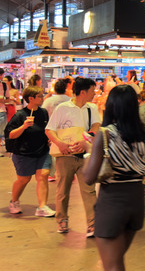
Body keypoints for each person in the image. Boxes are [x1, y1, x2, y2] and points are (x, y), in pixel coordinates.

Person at [84, 85, 145, 271]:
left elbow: (88, 177)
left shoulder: (106, 134)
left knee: (113, 266)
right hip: (136, 201)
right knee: (117, 262)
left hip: (112, 203)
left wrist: (89, 151)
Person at [45, 77, 101, 236]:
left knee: (89, 190)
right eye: (92, 91)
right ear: (83, 92)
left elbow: (96, 125)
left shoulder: (92, 108)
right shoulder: (63, 108)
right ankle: (61, 220)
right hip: (65, 155)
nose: (94, 94)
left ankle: (92, 224)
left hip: (85, 155)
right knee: (63, 190)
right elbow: (49, 130)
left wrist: (88, 135)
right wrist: (60, 144)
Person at [5, 86, 55, 217]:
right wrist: (24, 126)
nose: (43, 98)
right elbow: (10, 134)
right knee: (24, 179)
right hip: (24, 153)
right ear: (31, 98)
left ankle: (42, 207)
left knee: (43, 175)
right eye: (40, 96)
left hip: (42, 151)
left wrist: (49, 139)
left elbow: (46, 129)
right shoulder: (20, 115)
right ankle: (14, 201)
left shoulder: (43, 112)